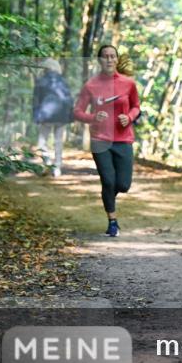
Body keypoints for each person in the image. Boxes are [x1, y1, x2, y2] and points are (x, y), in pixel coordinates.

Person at [74, 44, 141, 237]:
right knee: (108, 181)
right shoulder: (91, 85)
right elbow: (77, 112)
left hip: (123, 139)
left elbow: (136, 107)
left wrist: (128, 117)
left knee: (123, 185)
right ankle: (112, 222)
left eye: (113, 56)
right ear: (99, 60)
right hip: (100, 139)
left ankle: (108, 197)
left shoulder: (128, 83)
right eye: (105, 56)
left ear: (117, 60)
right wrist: (93, 117)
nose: (109, 59)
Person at [32, 58, 73, 177]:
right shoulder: (63, 81)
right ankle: (57, 168)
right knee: (58, 142)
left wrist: (36, 116)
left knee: (42, 142)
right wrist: (70, 115)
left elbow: (36, 100)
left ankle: (48, 163)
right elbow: (69, 99)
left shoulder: (41, 80)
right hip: (62, 115)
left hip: (46, 115)